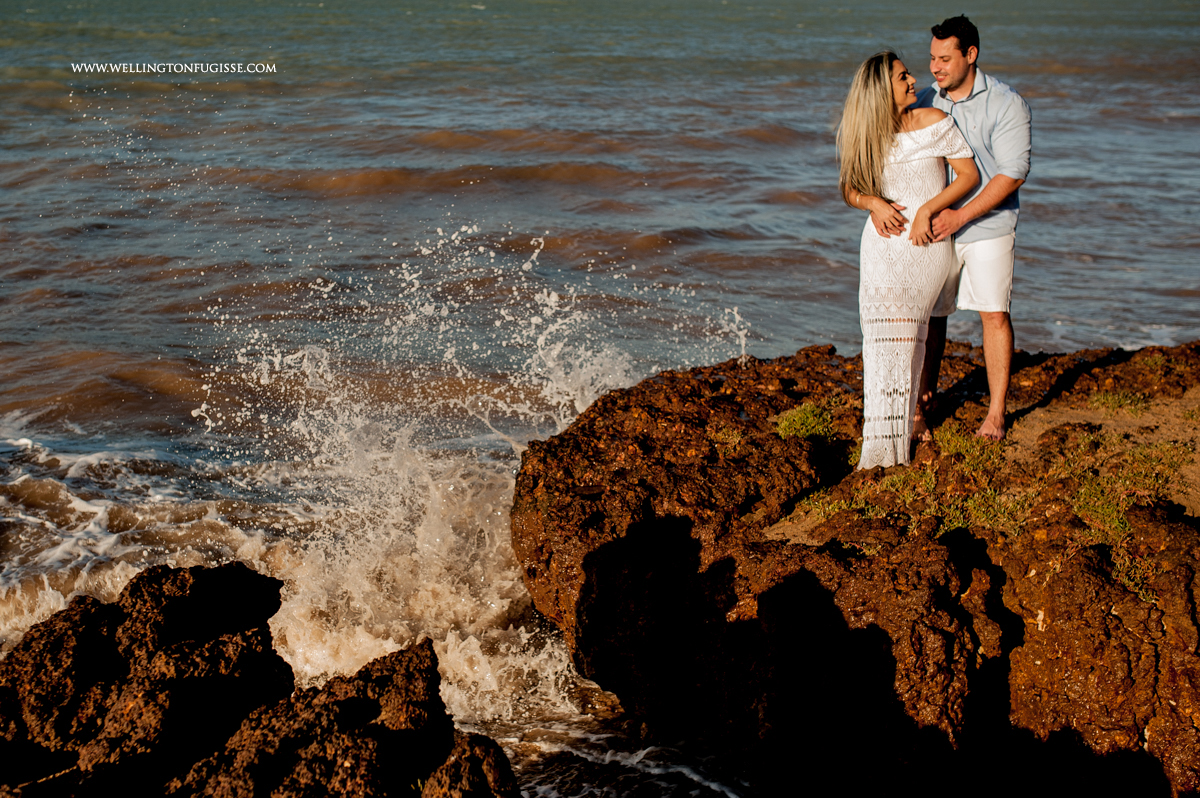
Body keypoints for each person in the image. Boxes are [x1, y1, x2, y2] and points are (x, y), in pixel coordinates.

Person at [838, 51, 979, 469]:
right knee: (879, 345)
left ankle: (904, 429)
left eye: (908, 74)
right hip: (881, 248)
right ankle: (880, 443)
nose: (913, 80)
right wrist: (872, 204)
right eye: (903, 77)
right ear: (883, 89)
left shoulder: (934, 122)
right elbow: (848, 187)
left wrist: (927, 210)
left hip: (925, 246)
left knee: (911, 338)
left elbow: (969, 176)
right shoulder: (869, 134)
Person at [914, 15, 1033, 440]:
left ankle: (997, 413)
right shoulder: (928, 99)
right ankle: (921, 409)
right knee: (932, 316)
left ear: (971, 55)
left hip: (989, 226)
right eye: (931, 57)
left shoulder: (1006, 103)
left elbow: (1013, 173)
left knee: (993, 314)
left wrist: (961, 216)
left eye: (945, 58)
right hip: (938, 228)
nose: (935, 67)